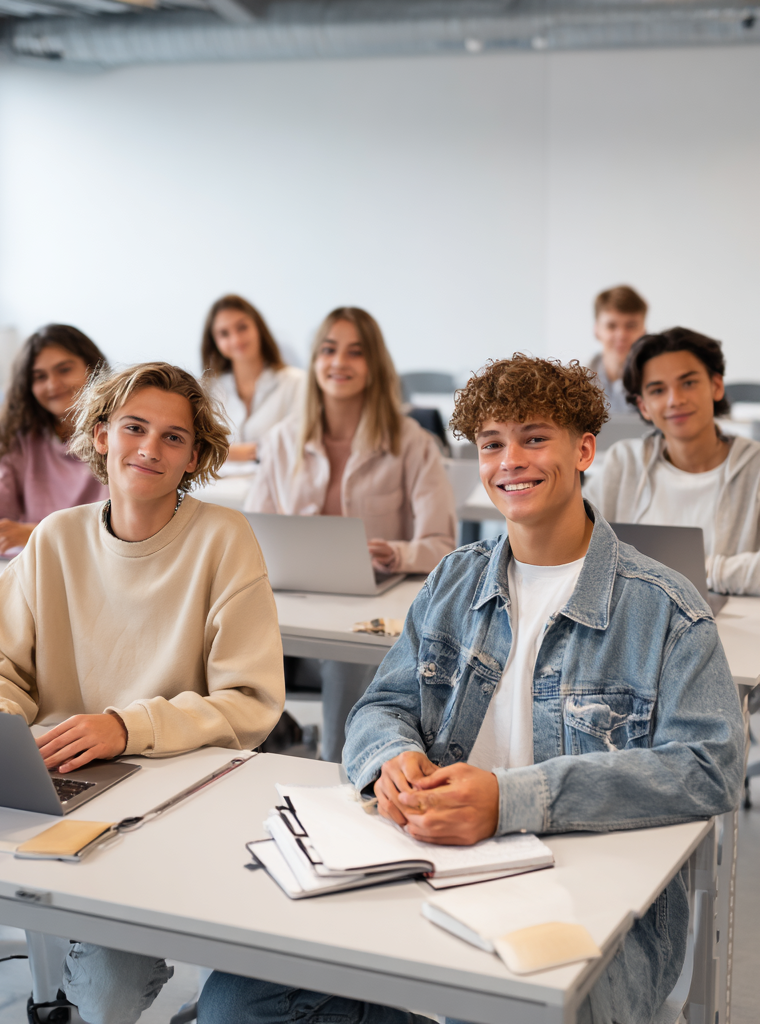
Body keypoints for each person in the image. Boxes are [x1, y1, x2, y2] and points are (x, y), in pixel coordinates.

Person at [199, 353, 744, 1024]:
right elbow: (383, 706)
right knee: (236, 1000)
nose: (510, 460)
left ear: (583, 450)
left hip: (581, 890)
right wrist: (391, 758)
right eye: (491, 443)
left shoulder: (665, 607)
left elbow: (708, 767)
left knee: (496, 1004)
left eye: (534, 438)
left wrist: (512, 800)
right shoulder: (455, 579)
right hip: (432, 864)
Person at [0, 361, 285, 1024]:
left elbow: (250, 701)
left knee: (110, 986)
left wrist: (126, 726)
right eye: (135, 427)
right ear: (102, 434)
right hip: (41, 774)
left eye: (173, 437)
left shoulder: (224, 540)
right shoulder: (56, 536)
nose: (150, 448)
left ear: (195, 457)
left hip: (158, 795)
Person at [245, 306, 456, 761]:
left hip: (372, 614)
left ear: (374, 364)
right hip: (293, 603)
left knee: (345, 658)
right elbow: (252, 538)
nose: (339, 362)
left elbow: (443, 546)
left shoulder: (412, 443)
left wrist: (395, 553)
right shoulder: (281, 440)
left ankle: (340, 766)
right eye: (328, 350)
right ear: (314, 360)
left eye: (355, 352)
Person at [587, 326, 760, 595]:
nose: (675, 400)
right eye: (657, 390)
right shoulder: (624, 462)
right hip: (638, 614)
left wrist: (702, 571)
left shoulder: (755, 467)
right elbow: (577, 543)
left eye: (688, 383)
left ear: (716, 386)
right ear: (643, 406)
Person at [0, 324, 110, 553]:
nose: (53, 385)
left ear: (93, 369)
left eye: (64, 369)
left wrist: (38, 533)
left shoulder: (122, 435)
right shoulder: (24, 441)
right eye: (39, 377)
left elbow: (125, 530)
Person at [201, 294, 304, 463]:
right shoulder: (209, 390)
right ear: (214, 342)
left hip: (275, 479)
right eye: (224, 333)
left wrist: (225, 452)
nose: (236, 339)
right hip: (218, 481)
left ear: (258, 328)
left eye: (242, 327)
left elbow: (297, 443)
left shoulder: (296, 382)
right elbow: (199, 448)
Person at [587, 285, 648, 414]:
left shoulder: (659, 382)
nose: (621, 335)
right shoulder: (574, 382)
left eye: (631, 326)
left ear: (644, 331)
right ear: (596, 330)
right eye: (611, 326)